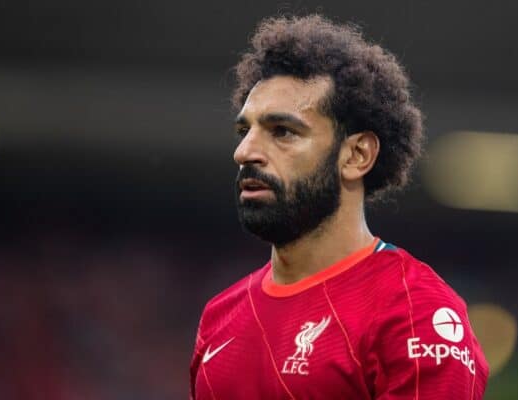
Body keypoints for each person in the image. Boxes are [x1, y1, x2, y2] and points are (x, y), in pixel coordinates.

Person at [190, 14, 488, 399]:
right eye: (245, 131)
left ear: (356, 155)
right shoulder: (219, 318)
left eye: (282, 131)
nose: (244, 152)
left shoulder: (416, 313)